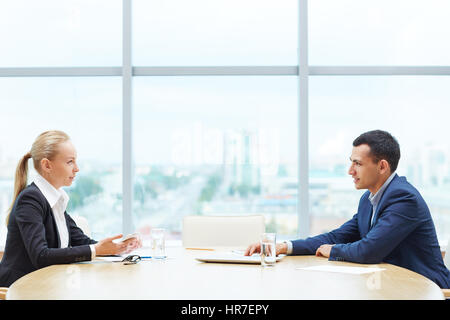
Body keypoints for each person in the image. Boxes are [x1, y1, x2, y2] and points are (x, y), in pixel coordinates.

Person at [245, 130, 450, 289]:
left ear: (382, 166)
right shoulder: (367, 200)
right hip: (389, 286)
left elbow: (369, 251)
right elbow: (338, 235)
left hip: (426, 290)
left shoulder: (403, 198)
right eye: (351, 163)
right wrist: (285, 246)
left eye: (357, 164)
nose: (350, 171)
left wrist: (333, 250)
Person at [0, 130, 141, 287]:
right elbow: (40, 255)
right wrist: (97, 250)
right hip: (19, 288)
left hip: (46, 284)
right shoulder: (31, 199)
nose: (77, 168)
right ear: (47, 165)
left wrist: (116, 248)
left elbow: (80, 241)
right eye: (70, 162)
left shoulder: (55, 199)